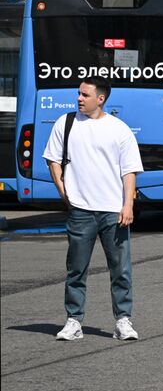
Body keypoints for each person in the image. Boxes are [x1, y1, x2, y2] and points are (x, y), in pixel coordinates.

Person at [42, 79, 144, 342]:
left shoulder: (119, 130)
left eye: (85, 94)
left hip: (113, 211)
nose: (79, 98)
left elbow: (129, 170)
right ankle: (74, 322)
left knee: (120, 269)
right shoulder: (65, 124)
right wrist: (65, 193)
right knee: (76, 269)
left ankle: (123, 321)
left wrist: (128, 204)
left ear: (100, 99)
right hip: (81, 211)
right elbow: (52, 159)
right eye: (78, 93)